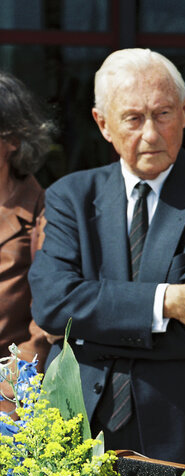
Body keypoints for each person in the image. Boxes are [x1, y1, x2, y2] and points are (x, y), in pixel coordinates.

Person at [28, 48, 185, 476]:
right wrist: (166, 302)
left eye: (164, 114)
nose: (152, 134)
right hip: (77, 437)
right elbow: (50, 303)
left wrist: (84, 328)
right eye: (134, 119)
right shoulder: (69, 197)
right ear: (103, 124)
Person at [0, 72, 53, 413]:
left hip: (8, 398)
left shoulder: (44, 210)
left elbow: (47, 318)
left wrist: (10, 385)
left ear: (13, 139)